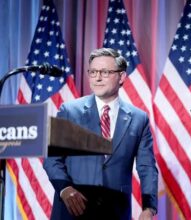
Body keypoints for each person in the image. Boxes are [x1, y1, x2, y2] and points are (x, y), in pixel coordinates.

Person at [43, 48, 158, 220]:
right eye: (93, 72)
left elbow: (147, 167)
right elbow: (52, 159)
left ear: (121, 77)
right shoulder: (70, 111)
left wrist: (149, 207)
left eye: (105, 72)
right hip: (73, 209)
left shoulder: (138, 119)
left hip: (115, 211)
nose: (97, 78)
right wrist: (65, 188)